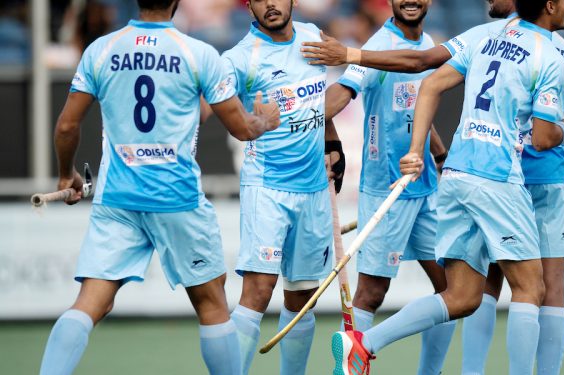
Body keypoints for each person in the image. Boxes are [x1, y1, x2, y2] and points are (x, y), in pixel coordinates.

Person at [304, 1, 564, 373]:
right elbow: (545, 136)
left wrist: (420, 150)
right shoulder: (552, 53)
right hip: (499, 176)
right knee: (534, 288)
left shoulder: (484, 36)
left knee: (462, 295)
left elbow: (430, 80)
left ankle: (364, 343)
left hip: (454, 175)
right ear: (549, 6)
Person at [38, 0, 281, 374]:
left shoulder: (101, 50)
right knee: (212, 303)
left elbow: (67, 127)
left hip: (117, 199)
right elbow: (243, 129)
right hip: (177, 198)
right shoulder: (198, 52)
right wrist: (264, 121)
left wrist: (65, 174)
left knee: (90, 303)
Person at [324, 1, 454, 374]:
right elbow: (345, 90)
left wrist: (440, 153)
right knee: (372, 292)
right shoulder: (377, 45)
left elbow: (419, 112)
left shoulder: (429, 43)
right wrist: (311, 116)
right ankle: (349, 367)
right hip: (386, 189)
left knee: (452, 289)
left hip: (426, 189)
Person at [220, 1, 343, 374]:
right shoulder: (239, 58)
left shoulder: (313, 38)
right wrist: (252, 121)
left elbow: (318, 102)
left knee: (302, 297)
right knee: (258, 291)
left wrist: (333, 145)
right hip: (268, 187)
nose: (270, 4)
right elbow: (215, 108)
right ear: (250, 6)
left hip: (313, 189)